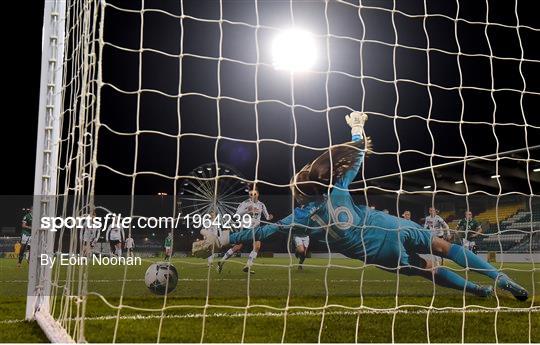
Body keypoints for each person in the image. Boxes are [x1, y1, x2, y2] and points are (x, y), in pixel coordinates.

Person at [194, 111, 528, 301]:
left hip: (378, 253)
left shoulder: (303, 218)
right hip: (388, 226)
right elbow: (355, 161)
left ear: (299, 195)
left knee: (428, 270)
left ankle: (476, 290)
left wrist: (221, 238)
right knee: (443, 245)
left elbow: (267, 229)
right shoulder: (337, 189)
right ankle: (502, 280)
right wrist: (357, 129)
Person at [217, 187, 273, 274]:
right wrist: (247, 210)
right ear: (249, 195)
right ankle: (222, 261)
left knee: (257, 246)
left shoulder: (261, 205)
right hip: (246, 228)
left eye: (254, 194)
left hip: (256, 229)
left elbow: (266, 216)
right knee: (238, 247)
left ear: (258, 194)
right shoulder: (245, 203)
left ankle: (248, 266)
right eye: (251, 194)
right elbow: (237, 215)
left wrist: (269, 217)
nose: (253, 196)